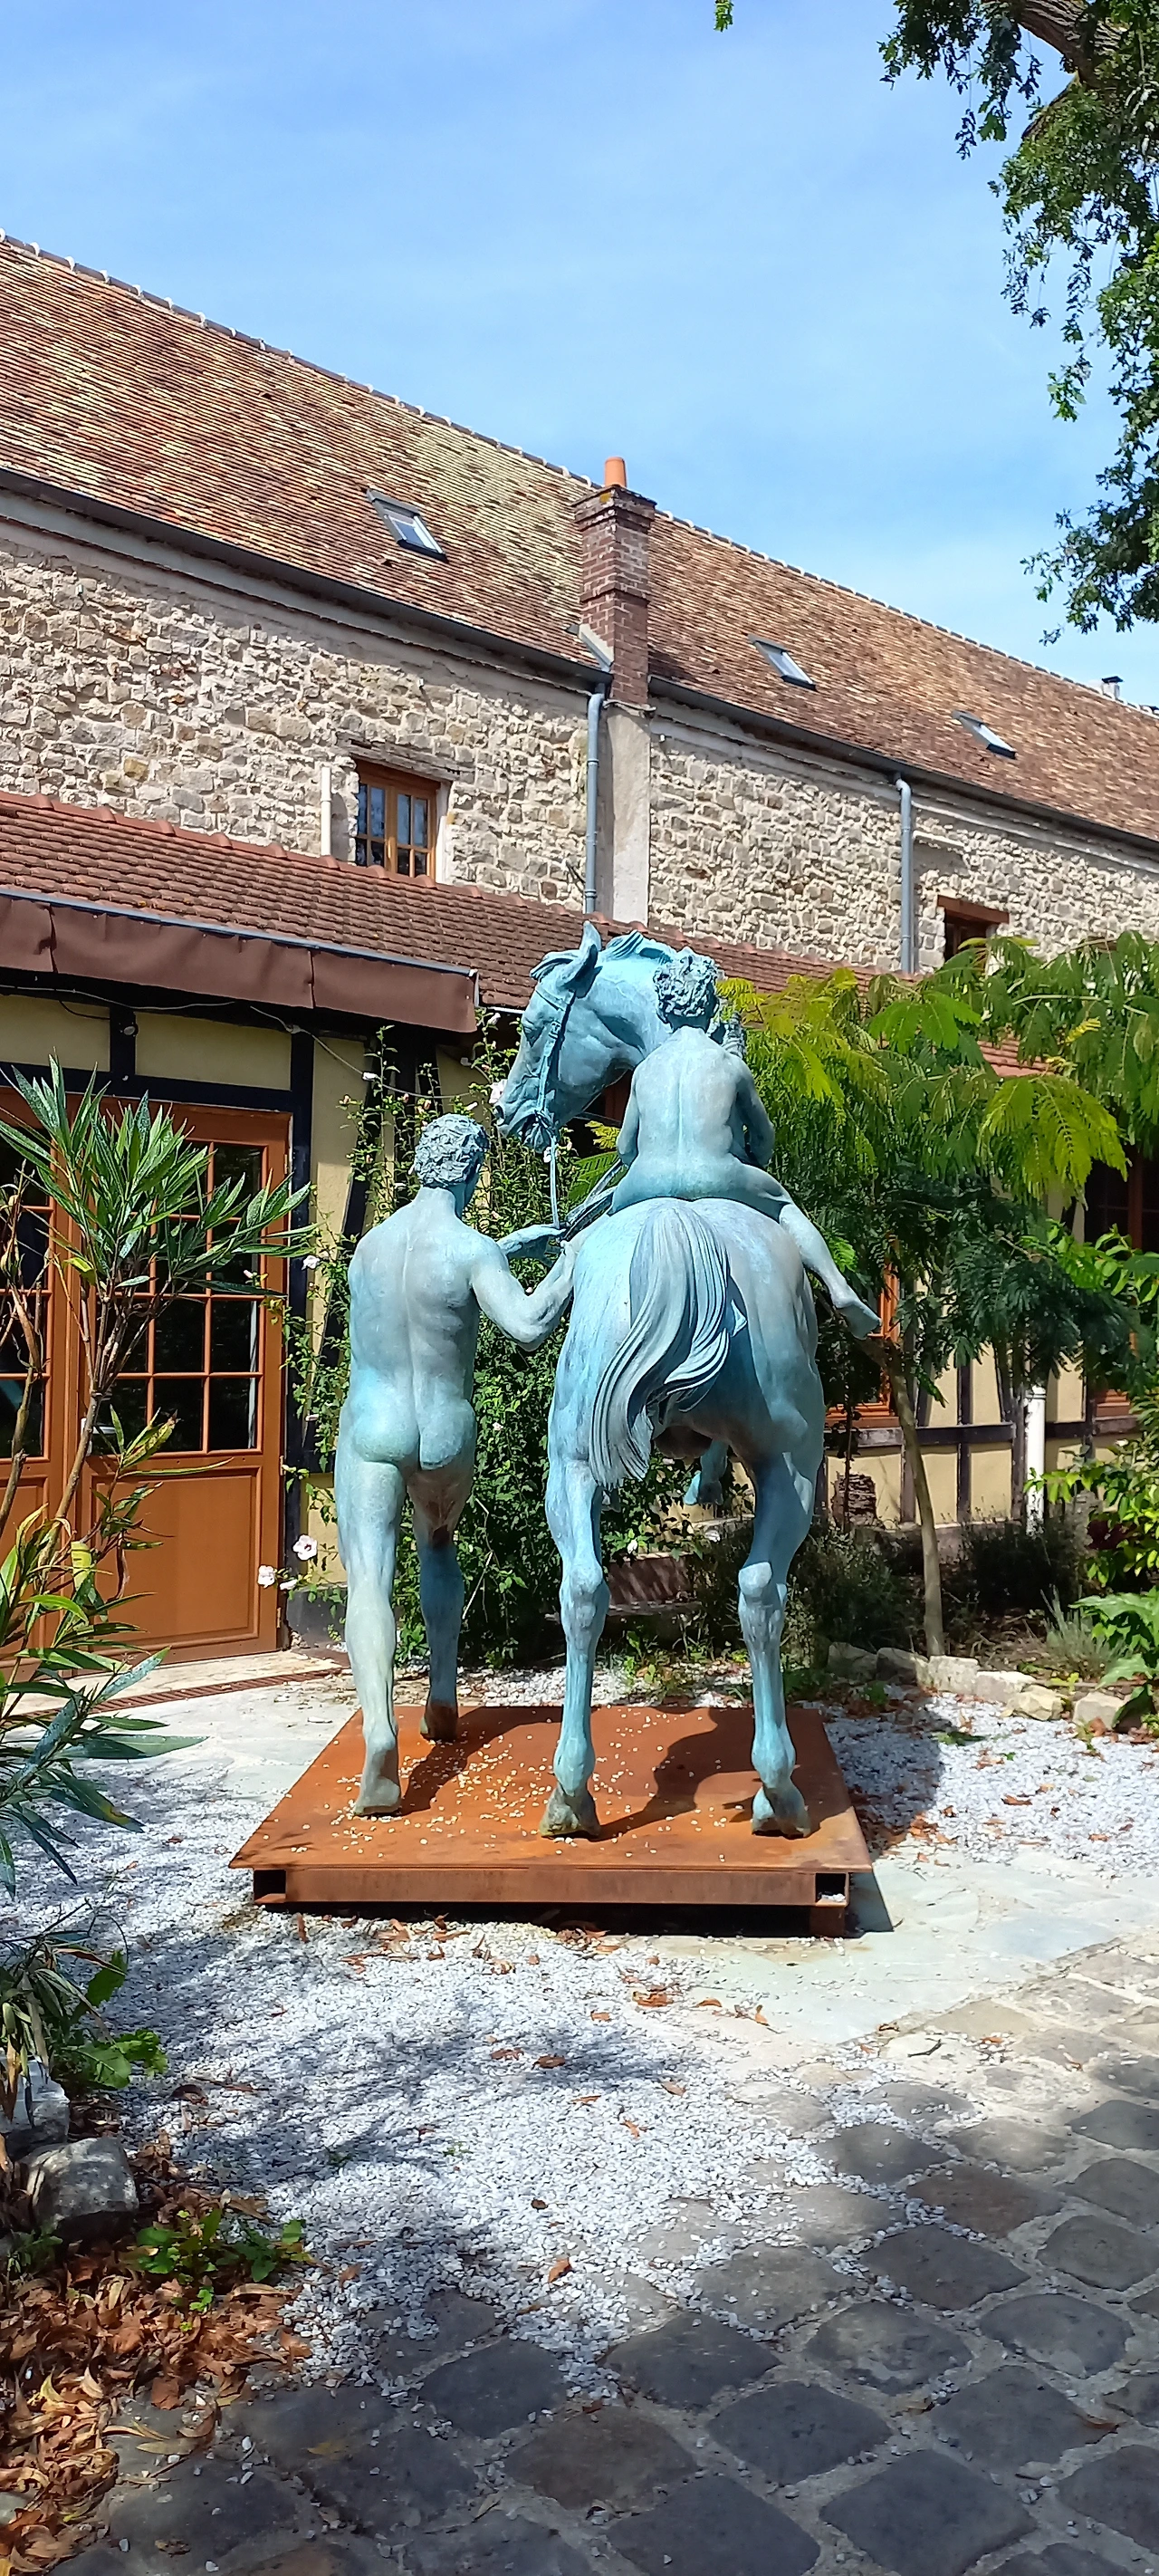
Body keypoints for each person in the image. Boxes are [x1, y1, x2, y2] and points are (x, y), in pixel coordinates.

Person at [335, 1113, 575, 1816]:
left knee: (369, 1583)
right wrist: (572, 1260)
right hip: (444, 1432)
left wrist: (502, 1249)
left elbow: (401, 1304)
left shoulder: (369, 1248)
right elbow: (528, 1326)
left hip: (374, 1423)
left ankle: (380, 1733)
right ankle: (442, 1695)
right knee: (438, 1542)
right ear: (470, 1172)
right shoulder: (473, 1250)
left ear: (420, 1166)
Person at [608, 949, 880, 1340]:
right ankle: (839, 1287)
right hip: (718, 1174)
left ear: (665, 1012)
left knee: (601, 1229)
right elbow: (764, 1132)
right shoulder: (730, 1064)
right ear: (710, 1008)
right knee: (783, 1206)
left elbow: (624, 1147)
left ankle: (545, 1301)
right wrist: (755, 1159)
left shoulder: (645, 1069)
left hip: (647, 1181)